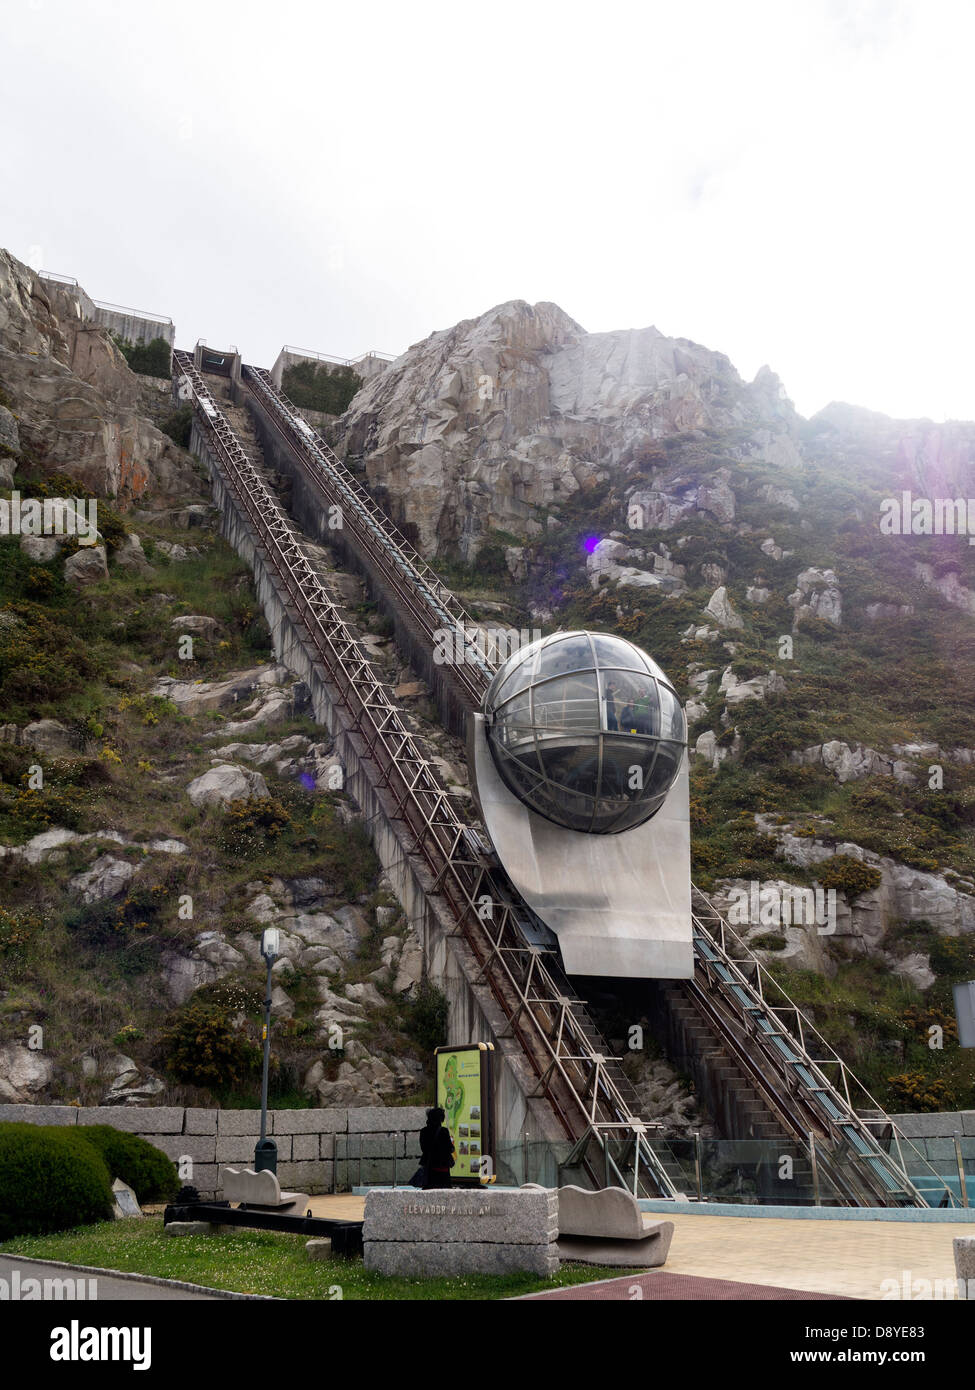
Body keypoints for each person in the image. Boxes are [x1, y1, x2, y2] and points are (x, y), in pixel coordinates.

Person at [418, 1106, 455, 1189]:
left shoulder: (423, 1131)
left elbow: (423, 1148)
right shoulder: (444, 1131)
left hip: (429, 1167)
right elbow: (450, 1148)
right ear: (440, 1119)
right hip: (442, 1168)